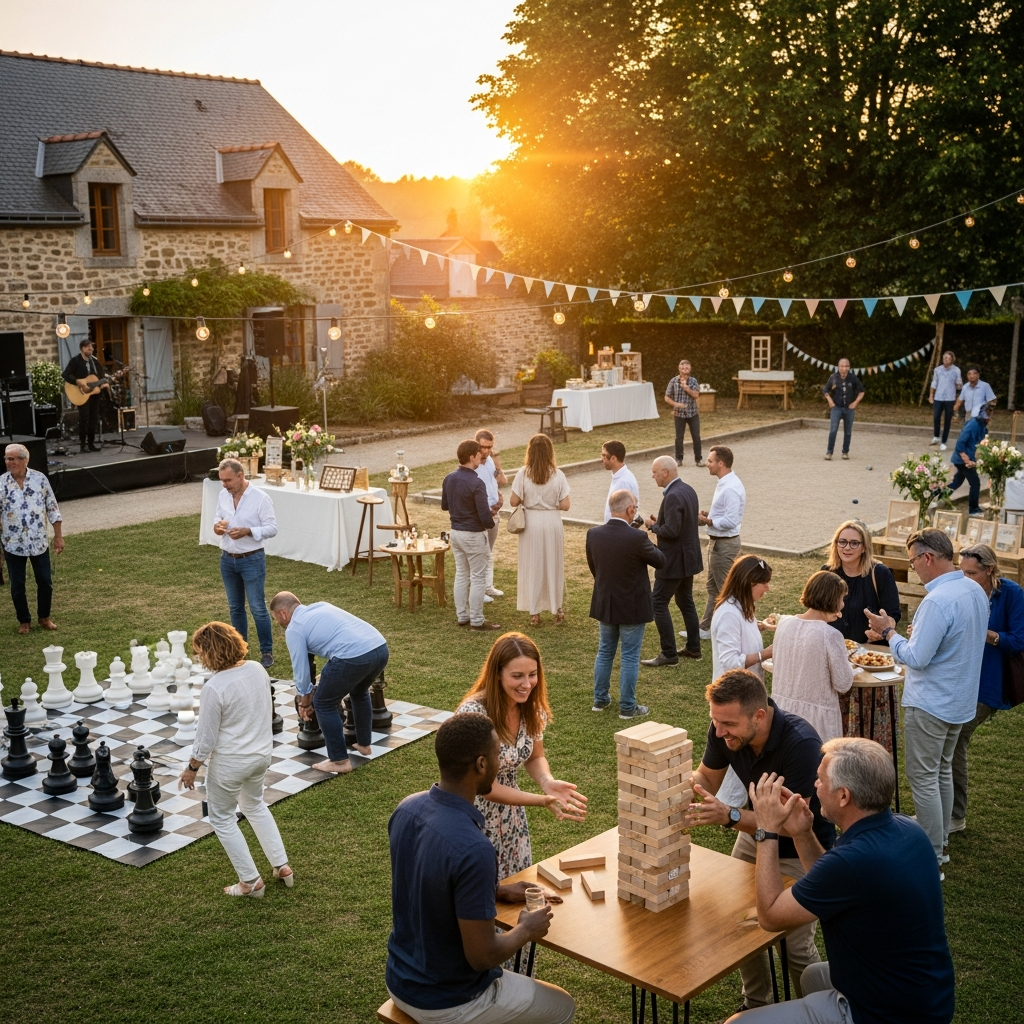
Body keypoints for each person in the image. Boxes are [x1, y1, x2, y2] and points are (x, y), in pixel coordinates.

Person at [731, 738, 955, 1024]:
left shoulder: (854, 861)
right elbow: (832, 879)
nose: (814, 785)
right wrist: (801, 833)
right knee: (813, 977)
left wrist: (766, 831)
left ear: (844, 796)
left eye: (821, 780)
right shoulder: (907, 829)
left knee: (737, 1023)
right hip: (926, 997)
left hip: (886, 1014)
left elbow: (771, 916)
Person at [385, 712, 576, 1024]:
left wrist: (496, 890)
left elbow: (431, 881)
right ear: (481, 765)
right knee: (562, 1006)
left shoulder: (407, 808)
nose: (501, 762)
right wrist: (526, 928)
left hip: (400, 982)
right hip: (449, 1002)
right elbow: (482, 957)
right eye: (497, 754)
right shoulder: (474, 848)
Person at [685, 669, 833, 1010]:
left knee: (794, 947)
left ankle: (816, 1012)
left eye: (728, 725)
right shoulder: (724, 729)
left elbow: (791, 823)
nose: (720, 732)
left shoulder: (802, 745)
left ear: (760, 716)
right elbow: (707, 775)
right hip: (756, 837)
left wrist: (731, 815)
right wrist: (682, 792)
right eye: (716, 722)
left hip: (799, 848)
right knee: (739, 926)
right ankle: (755, 1003)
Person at [865, 528, 987, 870]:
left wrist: (888, 632)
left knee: (923, 777)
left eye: (913, 561)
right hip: (960, 698)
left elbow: (916, 658)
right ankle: (942, 840)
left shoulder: (937, 601)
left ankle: (932, 856)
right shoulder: (974, 589)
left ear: (928, 557)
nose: (913, 568)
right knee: (942, 770)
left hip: (932, 702)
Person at [455, 633, 588, 881]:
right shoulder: (474, 714)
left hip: (512, 817)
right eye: (517, 676)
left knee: (515, 887)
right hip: (474, 815)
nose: (527, 684)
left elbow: (535, 757)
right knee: (481, 890)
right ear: (497, 673)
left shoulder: (530, 708)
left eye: (532, 674)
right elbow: (483, 786)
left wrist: (546, 781)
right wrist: (541, 800)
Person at [177, 621, 293, 897]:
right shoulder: (256, 668)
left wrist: (192, 768)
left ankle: (250, 882)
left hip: (230, 763)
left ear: (209, 652)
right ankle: (282, 866)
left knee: (222, 819)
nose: (198, 658)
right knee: (254, 805)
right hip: (261, 755)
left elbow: (205, 737)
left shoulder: (214, 688)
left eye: (198, 652)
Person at [269, 591, 389, 774]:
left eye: (276, 619)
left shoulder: (294, 628)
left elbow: (300, 670)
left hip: (353, 657)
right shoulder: (321, 606)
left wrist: (306, 701)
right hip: (379, 648)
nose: (279, 624)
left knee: (324, 703)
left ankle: (340, 761)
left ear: (283, 614)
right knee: (359, 690)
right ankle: (364, 744)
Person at [951, 545, 1024, 833]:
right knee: (952, 741)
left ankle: (955, 816)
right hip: (959, 677)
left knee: (956, 739)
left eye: (971, 572)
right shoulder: (961, 589)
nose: (965, 577)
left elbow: (1018, 640)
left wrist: (986, 635)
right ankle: (949, 813)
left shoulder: (1011, 594)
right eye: (961, 570)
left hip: (989, 682)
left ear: (990, 569)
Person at [822, 519, 901, 753]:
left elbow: (893, 614)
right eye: (842, 542)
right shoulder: (827, 573)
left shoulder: (880, 573)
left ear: (865, 547)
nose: (847, 548)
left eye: (854, 543)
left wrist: (882, 631)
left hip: (872, 661)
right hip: (835, 660)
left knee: (869, 731)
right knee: (838, 730)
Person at [587, 488, 666, 718]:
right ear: (630, 510)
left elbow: (595, 568)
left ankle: (600, 700)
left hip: (605, 601)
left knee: (605, 651)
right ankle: (628, 707)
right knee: (630, 655)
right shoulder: (638, 537)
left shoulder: (593, 534)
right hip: (632, 605)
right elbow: (660, 560)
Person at [708, 555, 775, 811]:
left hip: (748, 696)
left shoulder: (743, 607)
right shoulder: (727, 613)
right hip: (734, 700)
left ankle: (739, 801)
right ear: (749, 583)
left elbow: (742, 632)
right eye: (764, 583)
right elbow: (729, 661)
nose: (767, 588)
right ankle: (730, 805)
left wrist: (761, 626)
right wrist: (766, 653)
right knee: (738, 753)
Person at [770, 571, 854, 742]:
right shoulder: (830, 635)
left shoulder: (784, 623)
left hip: (781, 713)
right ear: (832, 599)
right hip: (815, 722)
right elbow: (843, 683)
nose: (843, 604)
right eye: (841, 598)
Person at [213, 458, 277, 668]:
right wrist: (218, 527)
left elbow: (272, 528)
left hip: (252, 559)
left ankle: (266, 651)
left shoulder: (260, 498)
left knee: (257, 607)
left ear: (241, 476)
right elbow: (217, 518)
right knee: (235, 607)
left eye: (228, 480)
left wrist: (248, 531)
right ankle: (240, 649)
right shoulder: (223, 495)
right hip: (227, 559)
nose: (225, 485)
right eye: (222, 480)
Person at [640, 455, 703, 666]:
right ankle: (694, 648)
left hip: (674, 560)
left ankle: (669, 653)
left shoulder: (673, 495)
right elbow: (682, 524)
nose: (653, 476)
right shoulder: (688, 490)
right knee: (685, 601)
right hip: (688, 558)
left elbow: (672, 531)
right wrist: (662, 522)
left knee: (657, 601)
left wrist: (652, 526)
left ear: (665, 472)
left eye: (655, 472)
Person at [1, 443, 63, 634]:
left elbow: (52, 508)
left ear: (24, 460)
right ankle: (24, 621)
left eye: (12, 458)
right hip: (12, 544)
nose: (8, 462)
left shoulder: (39, 479)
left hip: (38, 542)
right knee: (17, 585)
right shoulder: (1, 482)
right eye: (6, 458)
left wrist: (58, 537)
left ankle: (44, 617)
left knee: (45, 581)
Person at [510, 434, 570, 626]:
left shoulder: (523, 473)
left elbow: (513, 501)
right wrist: (551, 505)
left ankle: (534, 612)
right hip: (551, 521)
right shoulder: (558, 475)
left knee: (533, 565)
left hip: (532, 523)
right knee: (553, 564)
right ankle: (557, 609)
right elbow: (566, 504)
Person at [442, 439, 501, 631]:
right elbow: (484, 516)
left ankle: (462, 616)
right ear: (471, 457)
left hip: (456, 532)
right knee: (478, 577)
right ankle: (477, 620)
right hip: (474, 534)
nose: (481, 457)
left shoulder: (449, 478)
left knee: (461, 574)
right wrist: (491, 520)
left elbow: (445, 506)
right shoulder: (477, 482)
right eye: (478, 454)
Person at [697, 445, 746, 637]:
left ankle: (740, 627)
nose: (707, 464)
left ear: (721, 463)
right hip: (717, 543)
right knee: (713, 587)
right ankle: (706, 627)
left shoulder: (731, 488)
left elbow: (732, 520)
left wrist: (708, 520)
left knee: (728, 589)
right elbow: (725, 515)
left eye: (710, 461)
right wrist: (711, 516)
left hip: (725, 545)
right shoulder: (725, 483)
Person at [475, 429, 508, 603]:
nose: (486, 451)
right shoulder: (472, 463)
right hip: (481, 514)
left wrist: (498, 464)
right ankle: (479, 591)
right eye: (483, 447)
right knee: (480, 552)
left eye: (490, 447)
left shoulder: (489, 462)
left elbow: (502, 482)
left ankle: (488, 586)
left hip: (495, 513)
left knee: (489, 551)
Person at [62, 337, 108, 452]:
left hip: (94, 394)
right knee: (84, 419)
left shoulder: (95, 361)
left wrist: (104, 383)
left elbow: (100, 377)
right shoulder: (75, 361)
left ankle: (91, 444)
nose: (91, 349)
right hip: (81, 394)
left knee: (93, 418)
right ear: (83, 349)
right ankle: (83, 445)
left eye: (92, 347)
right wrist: (78, 382)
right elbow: (65, 375)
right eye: (89, 347)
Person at [947, 409, 988, 516]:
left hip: (967, 459)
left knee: (956, 482)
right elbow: (960, 443)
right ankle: (973, 509)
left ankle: (936, 496)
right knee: (975, 483)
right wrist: (967, 461)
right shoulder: (973, 425)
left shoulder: (982, 426)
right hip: (962, 460)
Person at [822, 358, 864, 460]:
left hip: (849, 409)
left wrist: (855, 403)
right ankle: (829, 452)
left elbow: (862, 391)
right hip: (836, 408)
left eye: (846, 366)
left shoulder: (853, 378)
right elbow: (825, 390)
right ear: (838, 367)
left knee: (848, 431)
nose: (844, 368)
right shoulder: (833, 377)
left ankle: (845, 452)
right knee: (833, 430)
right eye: (842, 366)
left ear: (849, 367)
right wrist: (829, 400)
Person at [664, 359, 703, 467]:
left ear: (690, 369)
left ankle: (698, 459)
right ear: (679, 369)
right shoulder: (673, 381)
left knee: (696, 436)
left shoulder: (693, 381)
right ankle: (678, 459)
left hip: (692, 413)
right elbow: (666, 397)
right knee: (679, 437)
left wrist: (686, 388)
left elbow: (696, 395)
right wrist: (675, 404)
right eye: (682, 368)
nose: (684, 369)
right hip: (679, 414)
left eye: (687, 367)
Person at [929, 350, 962, 450]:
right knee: (936, 417)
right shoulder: (937, 370)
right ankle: (936, 436)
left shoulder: (956, 370)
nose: (946, 360)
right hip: (938, 397)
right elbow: (934, 383)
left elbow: (959, 384)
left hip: (950, 398)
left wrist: (958, 385)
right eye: (945, 358)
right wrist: (931, 395)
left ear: (952, 359)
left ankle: (944, 441)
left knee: (947, 419)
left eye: (948, 358)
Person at [600, 440, 639, 523]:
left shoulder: (623, 482)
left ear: (613, 458)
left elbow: (623, 514)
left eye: (604, 456)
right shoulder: (619, 477)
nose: (601, 459)